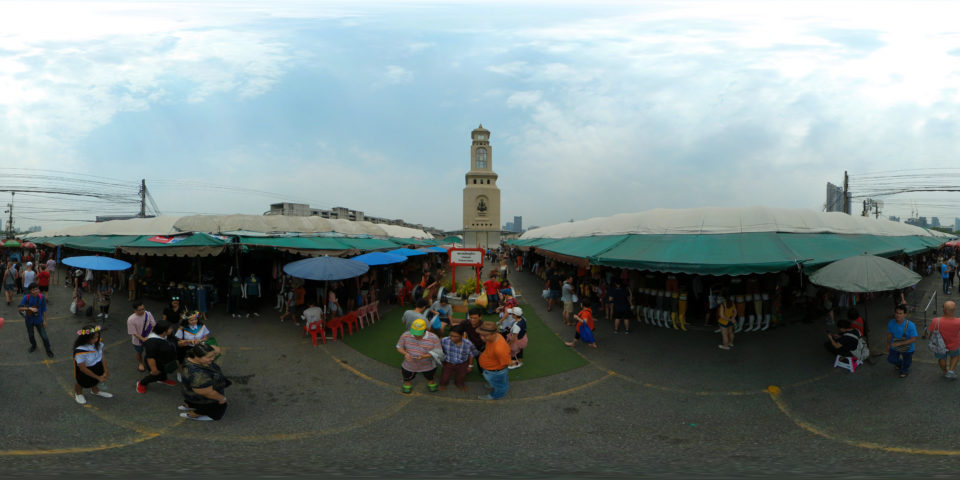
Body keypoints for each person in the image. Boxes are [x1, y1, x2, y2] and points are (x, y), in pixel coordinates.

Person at [179, 343, 230, 421]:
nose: (213, 358)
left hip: (190, 392)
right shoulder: (199, 375)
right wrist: (222, 398)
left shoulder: (190, 356)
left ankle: (188, 405)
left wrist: (205, 346)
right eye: (209, 357)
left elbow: (217, 350)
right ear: (197, 356)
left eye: (213, 355)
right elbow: (207, 393)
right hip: (205, 399)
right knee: (218, 410)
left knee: (192, 402)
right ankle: (193, 415)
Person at [395, 318, 441, 394]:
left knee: (430, 375)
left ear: (425, 330)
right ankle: (407, 383)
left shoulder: (433, 338)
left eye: (418, 333)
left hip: (428, 364)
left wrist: (424, 356)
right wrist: (405, 353)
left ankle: (431, 382)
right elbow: (399, 347)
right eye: (414, 333)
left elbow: (438, 351)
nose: (416, 335)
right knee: (406, 375)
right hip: (409, 364)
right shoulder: (405, 335)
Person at [72, 324, 113, 405]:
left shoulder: (97, 343)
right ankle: (78, 393)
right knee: (81, 382)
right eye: (93, 338)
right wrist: (98, 377)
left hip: (97, 366)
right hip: (86, 369)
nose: (96, 339)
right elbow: (83, 368)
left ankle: (95, 391)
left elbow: (102, 356)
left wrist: (106, 370)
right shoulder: (80, 351)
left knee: (95, 380)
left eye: (97, 337)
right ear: (85, 338)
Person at [137, 321, 179, 394]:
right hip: (157, 363)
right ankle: (142, 383)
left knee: (164, 372)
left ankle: (163, 379)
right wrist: (154, 370)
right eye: (170, 328)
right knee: (155, 375)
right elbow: (150, 358)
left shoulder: (167, 335)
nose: (172, 329)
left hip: (165, 361)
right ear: (164, 332)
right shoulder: (152, 342)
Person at [438, 324, 479, 392]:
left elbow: (472, 354)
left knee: (461, 376)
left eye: (455, 336)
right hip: (448, 362)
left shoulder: (468, 344)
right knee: (444, 377)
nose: (452, 338)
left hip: (462, 363)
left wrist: (470, 365)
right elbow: (439, 348)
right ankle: (442, 384)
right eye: (450, 335)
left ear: (462, 335)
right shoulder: (444, 340)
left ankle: (459, 384)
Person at [477, 321, 510, 400]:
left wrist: (496, 375)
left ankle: (496, 395)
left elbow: (505, 363)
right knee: (496, 382)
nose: (482, 337)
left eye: (485, 335)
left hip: (495, 372)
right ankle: (493, 383)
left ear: (494, 333)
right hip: (491, 371)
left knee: (500, 386)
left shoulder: (499, 349)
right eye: (481, 334)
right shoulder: (496, 336)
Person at [19, 282, 53, 357]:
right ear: (30, 291)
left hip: (39, 320)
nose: (36, 291)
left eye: (37, 289)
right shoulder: (26, 297)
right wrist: (29, 308)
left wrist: (44, 321)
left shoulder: (42, 297)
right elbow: (19, 308)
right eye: (34, 290)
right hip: (29, 320)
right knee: (31, 335)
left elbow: (44, 309)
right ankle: (34, 345)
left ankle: (48, 349)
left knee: (44, 336)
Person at [928, 301, 960, 379]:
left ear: (944, 310)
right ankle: (951, 371)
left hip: (939, 345)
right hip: (954, 344)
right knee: (955, 356)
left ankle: (945, 371)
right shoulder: (958, 321)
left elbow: (931, 333)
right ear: (954, 310)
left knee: (941, 358)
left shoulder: (936, 321)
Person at [886, 305, 918, 378]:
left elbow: (914, 339)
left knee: (907, 361)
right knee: (891, 359)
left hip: (908, 348)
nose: (898, 315)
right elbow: (889, 334)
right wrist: (888, 345)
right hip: (894, 346)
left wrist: (899, 343)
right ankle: (901, 364)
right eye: (897, 313)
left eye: (900, 313)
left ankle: (905, 370)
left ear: (905, 314)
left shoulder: (911, 325)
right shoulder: (891, 322)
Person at [127, 301, 157, 373]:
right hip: (137, 340)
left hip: (149, 337)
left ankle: (150, 363)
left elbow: (153, 325)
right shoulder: (131, 319)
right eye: (140, 310)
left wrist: (149, 336)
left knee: (150, 352)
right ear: (135, 310)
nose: (142, 311)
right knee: (139, 352)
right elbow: (133, 332)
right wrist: (143, 339)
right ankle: (141, 363)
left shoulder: (148, 314)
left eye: (143, 309)